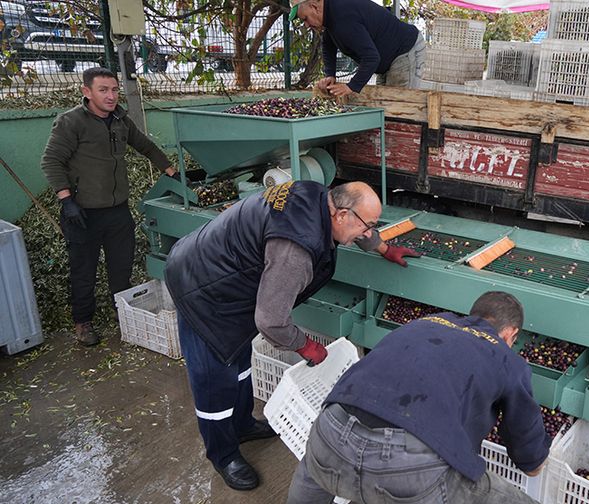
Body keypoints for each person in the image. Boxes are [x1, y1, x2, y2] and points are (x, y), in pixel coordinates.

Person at [164, 180, 418, 491]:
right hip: (201, 289)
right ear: (340, 215)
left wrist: (383, 247)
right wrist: (306, 346)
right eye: (369, 226)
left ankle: (242, 424)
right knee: (213, 380)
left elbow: (358, 227)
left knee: (239, 362)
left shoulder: (317, 195)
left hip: (230, 283)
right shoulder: (295, 250)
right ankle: (223, 454)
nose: (368, 232)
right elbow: (270, 321)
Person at [287, 291, 550, 504]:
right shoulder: (507, 359)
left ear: (474, 315)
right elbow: (530, 461)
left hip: (330, 431)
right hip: (407, 467)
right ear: (510, 333)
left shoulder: (425, 322)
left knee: (316, 470)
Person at [41, 66, 178, 347]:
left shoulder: (120, 120)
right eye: (103, 90)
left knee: (121, 267)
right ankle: (83, 322)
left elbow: (146, 146)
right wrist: (67, 200)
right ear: (86, 92)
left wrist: (171, 171)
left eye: (114, 89)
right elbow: (51, 161)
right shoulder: (71, 122)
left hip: (117, 210)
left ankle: (124, 314)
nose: (111, 96)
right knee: (83, 270)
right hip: (82, 211)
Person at [289, 0, 426, 97]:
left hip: (405, 52)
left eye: (305, 18)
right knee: (383, 104)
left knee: (400, 105)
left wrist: (351, 86)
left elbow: (371, 58)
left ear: (314, 7)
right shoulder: (331, 14)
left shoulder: (343, 16)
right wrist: (330, 74)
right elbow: (328, 46)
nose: (306, 25)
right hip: (387, 60)